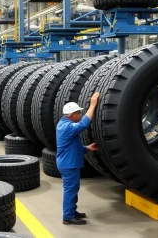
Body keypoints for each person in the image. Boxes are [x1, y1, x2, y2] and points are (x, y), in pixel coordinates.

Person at [56, 92, 100, 226]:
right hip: (68, 165)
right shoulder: (66, 127)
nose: (80, 115)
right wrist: (93, 105)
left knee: (73, 189)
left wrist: (87, 148)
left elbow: (72, 146)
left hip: (68, 162)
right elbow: (83, 125)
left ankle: (72, 211)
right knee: (70, 190)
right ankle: (68, 217)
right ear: (72, 115)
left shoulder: (64, 124)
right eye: (79, 113)